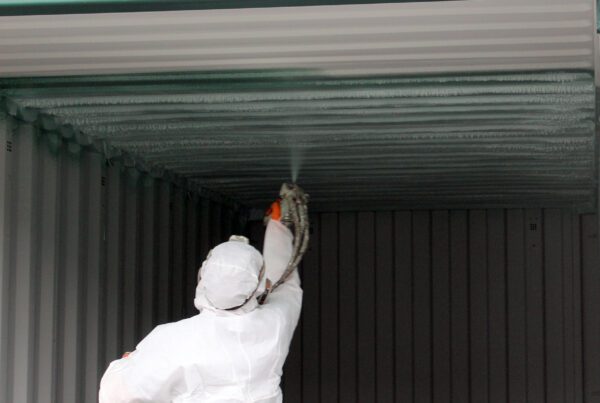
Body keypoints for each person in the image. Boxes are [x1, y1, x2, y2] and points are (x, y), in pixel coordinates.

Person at [98, 201, 303, 403]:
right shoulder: (273, 326)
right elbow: (287, 288)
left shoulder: (173, 339)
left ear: (202, 278)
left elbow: (117, 394)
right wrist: (278, 227)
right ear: (258, 285)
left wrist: (125, 365)